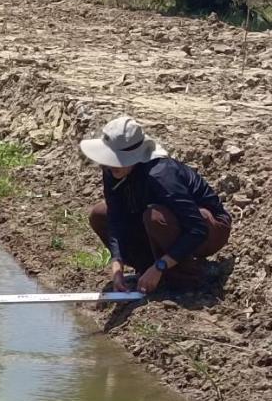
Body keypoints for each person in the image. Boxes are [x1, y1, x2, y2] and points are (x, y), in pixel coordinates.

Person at [81, 115, 230, 293]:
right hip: (165, 226)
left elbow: (197, 228)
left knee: (155, 217)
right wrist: (117, 264)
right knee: (100, 214)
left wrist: (160, 266)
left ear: (134, 157)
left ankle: (187, 277)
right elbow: (115, 218)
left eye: (116, 160)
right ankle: (147, 268)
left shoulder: (161, 174)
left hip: (209, 228)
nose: (109, 166)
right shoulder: (112, 171)